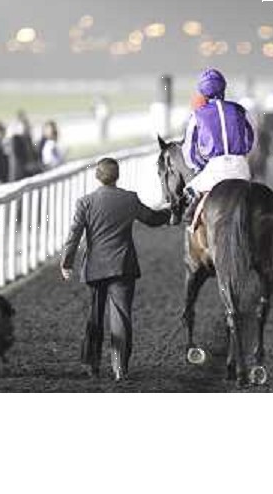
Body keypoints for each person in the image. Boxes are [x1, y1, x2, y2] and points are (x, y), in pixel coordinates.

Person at [60, 157, 171, 380]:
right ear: (117, 176)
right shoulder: (129, 199)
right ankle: (120, 367)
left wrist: (66, 263)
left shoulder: (85, 202)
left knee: (95, 316)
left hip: (95, 268)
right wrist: (170, 211)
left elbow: (74, 236)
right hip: (123, 266)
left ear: (97, 176)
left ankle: (92, 365)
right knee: (122, 317)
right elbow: (151, 218)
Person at [181, 68, 255, 223]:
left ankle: (190, 221)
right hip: (241, 168)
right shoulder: (240, 110)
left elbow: (188, 152)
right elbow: (251, 138)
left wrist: (198, 167)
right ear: (224, 88)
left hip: (214, 169)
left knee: (188, 191)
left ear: (203, 92)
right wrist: (242, 155)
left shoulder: (197, 115)